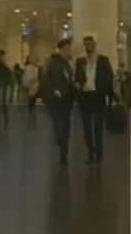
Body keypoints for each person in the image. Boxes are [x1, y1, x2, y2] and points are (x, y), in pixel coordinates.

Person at [74, 35, 115, 163]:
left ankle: (99, 155)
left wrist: (110, 97)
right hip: (85, 97)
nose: (88, 47)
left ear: (94, 45)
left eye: (90, 44)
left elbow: (109, 79)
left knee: (98, 127)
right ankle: (91, 152)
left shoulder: (103, 60)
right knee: (87, 128)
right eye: (86, 44)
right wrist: (78, 85)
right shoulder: (80, 62)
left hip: (98, 97)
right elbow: (77, 78)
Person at [43, 39, 75, 163]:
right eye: (66, 49)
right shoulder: (53, 62)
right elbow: (47, 79)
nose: (69, 51)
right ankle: (62, 148)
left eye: (69, 48)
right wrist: (53, 90)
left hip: (67, 98)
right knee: (58, 123)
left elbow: (70, 78)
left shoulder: (68, 63)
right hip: (56, 98)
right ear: (61, 49)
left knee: (65, 123)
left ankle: (64, 148)